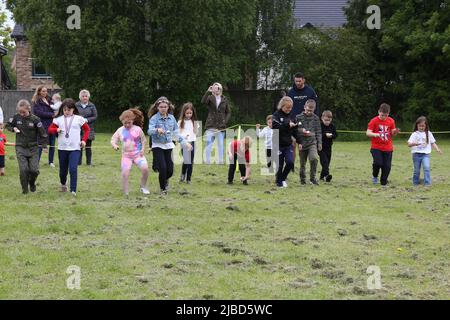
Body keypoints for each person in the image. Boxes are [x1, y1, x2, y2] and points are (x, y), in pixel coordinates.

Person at [147, 97, 192, 195]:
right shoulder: (154, 118)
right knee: (162, 168)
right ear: (157, 107)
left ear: (168, 107)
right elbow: (149, 131)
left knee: (170, 170)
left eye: (165, 107)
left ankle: (165, 180)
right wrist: (156, 130)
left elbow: (176, 134)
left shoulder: (171, 118)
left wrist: (185, 143)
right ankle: (163, 189)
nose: (163, 108)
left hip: (168, 145)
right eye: (161, 107)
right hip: (157, 145)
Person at [48, 99, 90, 196]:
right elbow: (50, 129)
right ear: (62, 109)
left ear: (73, 109)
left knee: (73, 169)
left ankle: (73, 190)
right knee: (63, 172)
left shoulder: (79, 119)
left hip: (75, 148)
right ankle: (63, 183)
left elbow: (87, 130)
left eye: (69, 110)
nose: (67, 112)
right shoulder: (58, 119)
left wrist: (84, 140)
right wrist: (56, 129)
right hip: (62, 149)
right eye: (65, 110)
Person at [6, 99, 48, 194]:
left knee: (34, 170)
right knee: (23, 170)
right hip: (20, 147)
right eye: (20, 112)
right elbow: (8, 125)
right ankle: (25, 190)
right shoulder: (16, 117)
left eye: (23, 112)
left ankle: (32, 183)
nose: (21, 114)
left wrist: (45, 146)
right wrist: (13, 128)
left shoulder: (35, 119)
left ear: (28, 109)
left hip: (33, 148)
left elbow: (43, 134)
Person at [111, 108, 150, 196]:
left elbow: (144, 140)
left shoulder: (138, 129)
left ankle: (143, 187)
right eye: (125, 123)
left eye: (129, 123)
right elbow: (113, 140)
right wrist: (115, 145)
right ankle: (126, 192)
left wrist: (143, 149)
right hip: (126, 156)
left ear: (133, 120)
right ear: (122, 122)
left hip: (138, 155)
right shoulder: (120, 130)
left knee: (145, 169)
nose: (127, 125)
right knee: (125, 173)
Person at [287, 72, 319, 172]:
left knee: (306, 144)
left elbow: (315, 106)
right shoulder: (291, 92)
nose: (297, 83)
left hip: (307, 122)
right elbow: (287, 105)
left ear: (303, 80)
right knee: (293, 143)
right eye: (296, 81)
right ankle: (291, 165)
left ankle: (304, 165)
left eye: (299, 81)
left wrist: (315, 119)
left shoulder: (310, 91)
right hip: (293, 121)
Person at [366, 103, 400, 186]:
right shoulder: (373, 121)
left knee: (387, 166)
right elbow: (368, 132)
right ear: (378, 112)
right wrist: (375, 134)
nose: (384, 117)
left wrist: (395, 132)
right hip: (376, 147)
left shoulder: (391, 121)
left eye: (386, 115)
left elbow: (392, 132)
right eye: (382, 115)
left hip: (388, 147)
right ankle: (374, 176)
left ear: (388, 114)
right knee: (378, 163)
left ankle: (383, 183)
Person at [272, 96, 302, 188]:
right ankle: (279, 182)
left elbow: (295, 130)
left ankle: (282, 178)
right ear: (282, 106)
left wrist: (299, 141)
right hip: (278, 144)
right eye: (287, 107)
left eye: (290, 107)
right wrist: (287, 125)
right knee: (279, 165)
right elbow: (275, 127)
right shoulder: (276, 115)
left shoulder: (292, 116)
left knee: (290, 162)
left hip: (288, 144)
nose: (289, 109)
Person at [407, 116, 442, 186]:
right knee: (416, 170)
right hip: (416, 155)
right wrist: (414, 143)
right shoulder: (414, 134)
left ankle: (427, 183)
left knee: (426, 168)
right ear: (417, 125)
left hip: (425, 154)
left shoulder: (429, 133)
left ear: (426, 126)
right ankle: (415, 183)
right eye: (420, 126)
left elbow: (432, 143)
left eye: (423, 126)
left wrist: (437, 149)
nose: (421, 127)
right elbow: (409, 144)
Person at [201, 82, 231, 164]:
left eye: (217, 87)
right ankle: (207, 160)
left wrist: (225, 121)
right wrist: (208, 91)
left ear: (220, 89)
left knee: (220, 144)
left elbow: (228, 112)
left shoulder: (224, 99)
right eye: (214, 87)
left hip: (221, 126)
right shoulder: (210, 97)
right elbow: (203, 102)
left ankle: (220, 161)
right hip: (210, 124)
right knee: (209, 143)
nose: (215, 89)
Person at [296, 100, 322, 185]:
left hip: (312, 143)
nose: (309, 112)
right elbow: (295, 130)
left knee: (314, 158)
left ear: (314, 109)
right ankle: (302, 179)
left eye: (311, 111)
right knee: (302, 163)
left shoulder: (316, 118)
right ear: (304, 107)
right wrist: (301, 130)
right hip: (302, 143)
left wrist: (319, 143)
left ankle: (312, 178)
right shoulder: (298, 117)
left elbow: (318, 131)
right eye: (307, 110)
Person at [31, 86, 55, 164]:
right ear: (39, 92)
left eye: (46, 91)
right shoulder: (36, 101)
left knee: (52, 144)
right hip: (42, 125)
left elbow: (55, 109)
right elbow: (39, 113)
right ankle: (36, 162)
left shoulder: (50, 100)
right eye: (43, 91)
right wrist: (51, 115)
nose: (45, 93)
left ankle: (51, 162)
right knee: (41, 144)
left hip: (52, 125)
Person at [178, 102, 199, 184]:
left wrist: (195, 127)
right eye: (187, 113)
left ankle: (188, 179)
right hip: (184, 143)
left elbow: (197, 132)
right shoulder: (180, 122)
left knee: (191, 161)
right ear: (184, 113)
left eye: (190, 113)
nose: (189, 115)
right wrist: (184, 136)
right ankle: (183, 175)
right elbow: (178, 134)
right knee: (187, 160)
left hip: (192, 142)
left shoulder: (194, 122)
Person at [76, 89, 98, 166]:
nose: (84, 98)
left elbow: (95, 116)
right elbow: (73, 115)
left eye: (86, 96)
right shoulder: (76, 105)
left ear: (88, 97)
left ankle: (89, 163)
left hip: (89, 128)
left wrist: (87, 120)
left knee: (88, 146)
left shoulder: (92, 105)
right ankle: (78, 162)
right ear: (80, 97)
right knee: (79, 146)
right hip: (78, 129)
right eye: (83, 96)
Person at [319, 110, 337, 182]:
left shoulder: (332, 126)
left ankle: (321, 177)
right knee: (324, 162)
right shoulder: (320, 126)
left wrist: (331, 135)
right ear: (322, 118)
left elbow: (335, 135)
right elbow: (318, 135)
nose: (327, 122)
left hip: (329, 147)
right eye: (325, 120)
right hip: (321, 147)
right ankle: (327, 175)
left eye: (329, 120)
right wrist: (325, 135)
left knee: (327, 162)